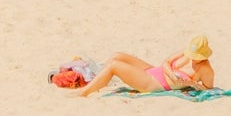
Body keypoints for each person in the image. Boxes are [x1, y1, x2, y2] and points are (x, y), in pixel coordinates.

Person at [62, 36, 216, 97]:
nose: (192, 58)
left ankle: (84, 92)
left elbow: (208, 90)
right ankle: (98, 82)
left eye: (196, 57)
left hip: (153, 83)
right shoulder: (187, 52)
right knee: (117, 55)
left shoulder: (206, 70)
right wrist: (171, 74)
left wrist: (191, 84)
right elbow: (166, 63)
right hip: (155, 71)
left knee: (114, 66)